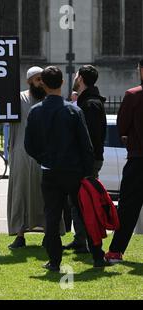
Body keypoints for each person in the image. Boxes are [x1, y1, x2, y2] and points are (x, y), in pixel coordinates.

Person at [24, 66, 109, 271]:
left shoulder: (36, 111)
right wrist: (87, 172)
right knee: (85, 213)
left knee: (52, 216)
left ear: (42, 84)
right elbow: (86, 145)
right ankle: (97, 256)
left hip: (50, 170)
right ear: (62, 83)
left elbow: (29, 145)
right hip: (74, 171)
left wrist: (43, 158)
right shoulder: (73, 110)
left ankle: (55, 261)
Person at [63, 65, 107, 253]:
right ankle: (81, 239)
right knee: (77, 202)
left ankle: (90, 242)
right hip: (84, 160)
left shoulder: (90, 104)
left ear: (80, 78)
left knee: (84, 203)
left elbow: (89, 137)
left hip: (86, 161)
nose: (74, 77)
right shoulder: (88, 101)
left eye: (76, 75)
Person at [105, 59, 143, 264]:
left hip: (138, 159)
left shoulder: (134, 95)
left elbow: (122, 126)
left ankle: (116, 250)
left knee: (128, 207)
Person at [7, 66, 47, 249]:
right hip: (22, 154)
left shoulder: (49, 99)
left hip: (45, 156)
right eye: (37, 79)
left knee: (46, 195)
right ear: (29, 81)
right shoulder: (19, 99)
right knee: (20, 194)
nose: (41, 82)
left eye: (42, 78)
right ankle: (20, 235)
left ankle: (49, 234)